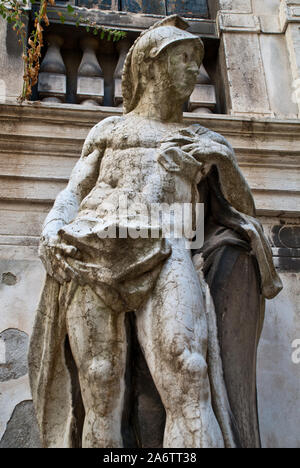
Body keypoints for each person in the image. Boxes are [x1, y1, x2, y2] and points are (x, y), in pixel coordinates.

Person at [28, 15, 282, 448]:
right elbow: (76, 189)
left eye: (196, 60)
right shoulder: (108, 130)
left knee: (188, 367)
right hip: (95, 249)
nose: (194, 71)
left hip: (168, 248)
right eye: (183, 59)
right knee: (99, 381)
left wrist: (224, 163)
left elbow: (243, 213)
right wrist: (53, 226)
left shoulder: (201, 136)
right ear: (149, 67)